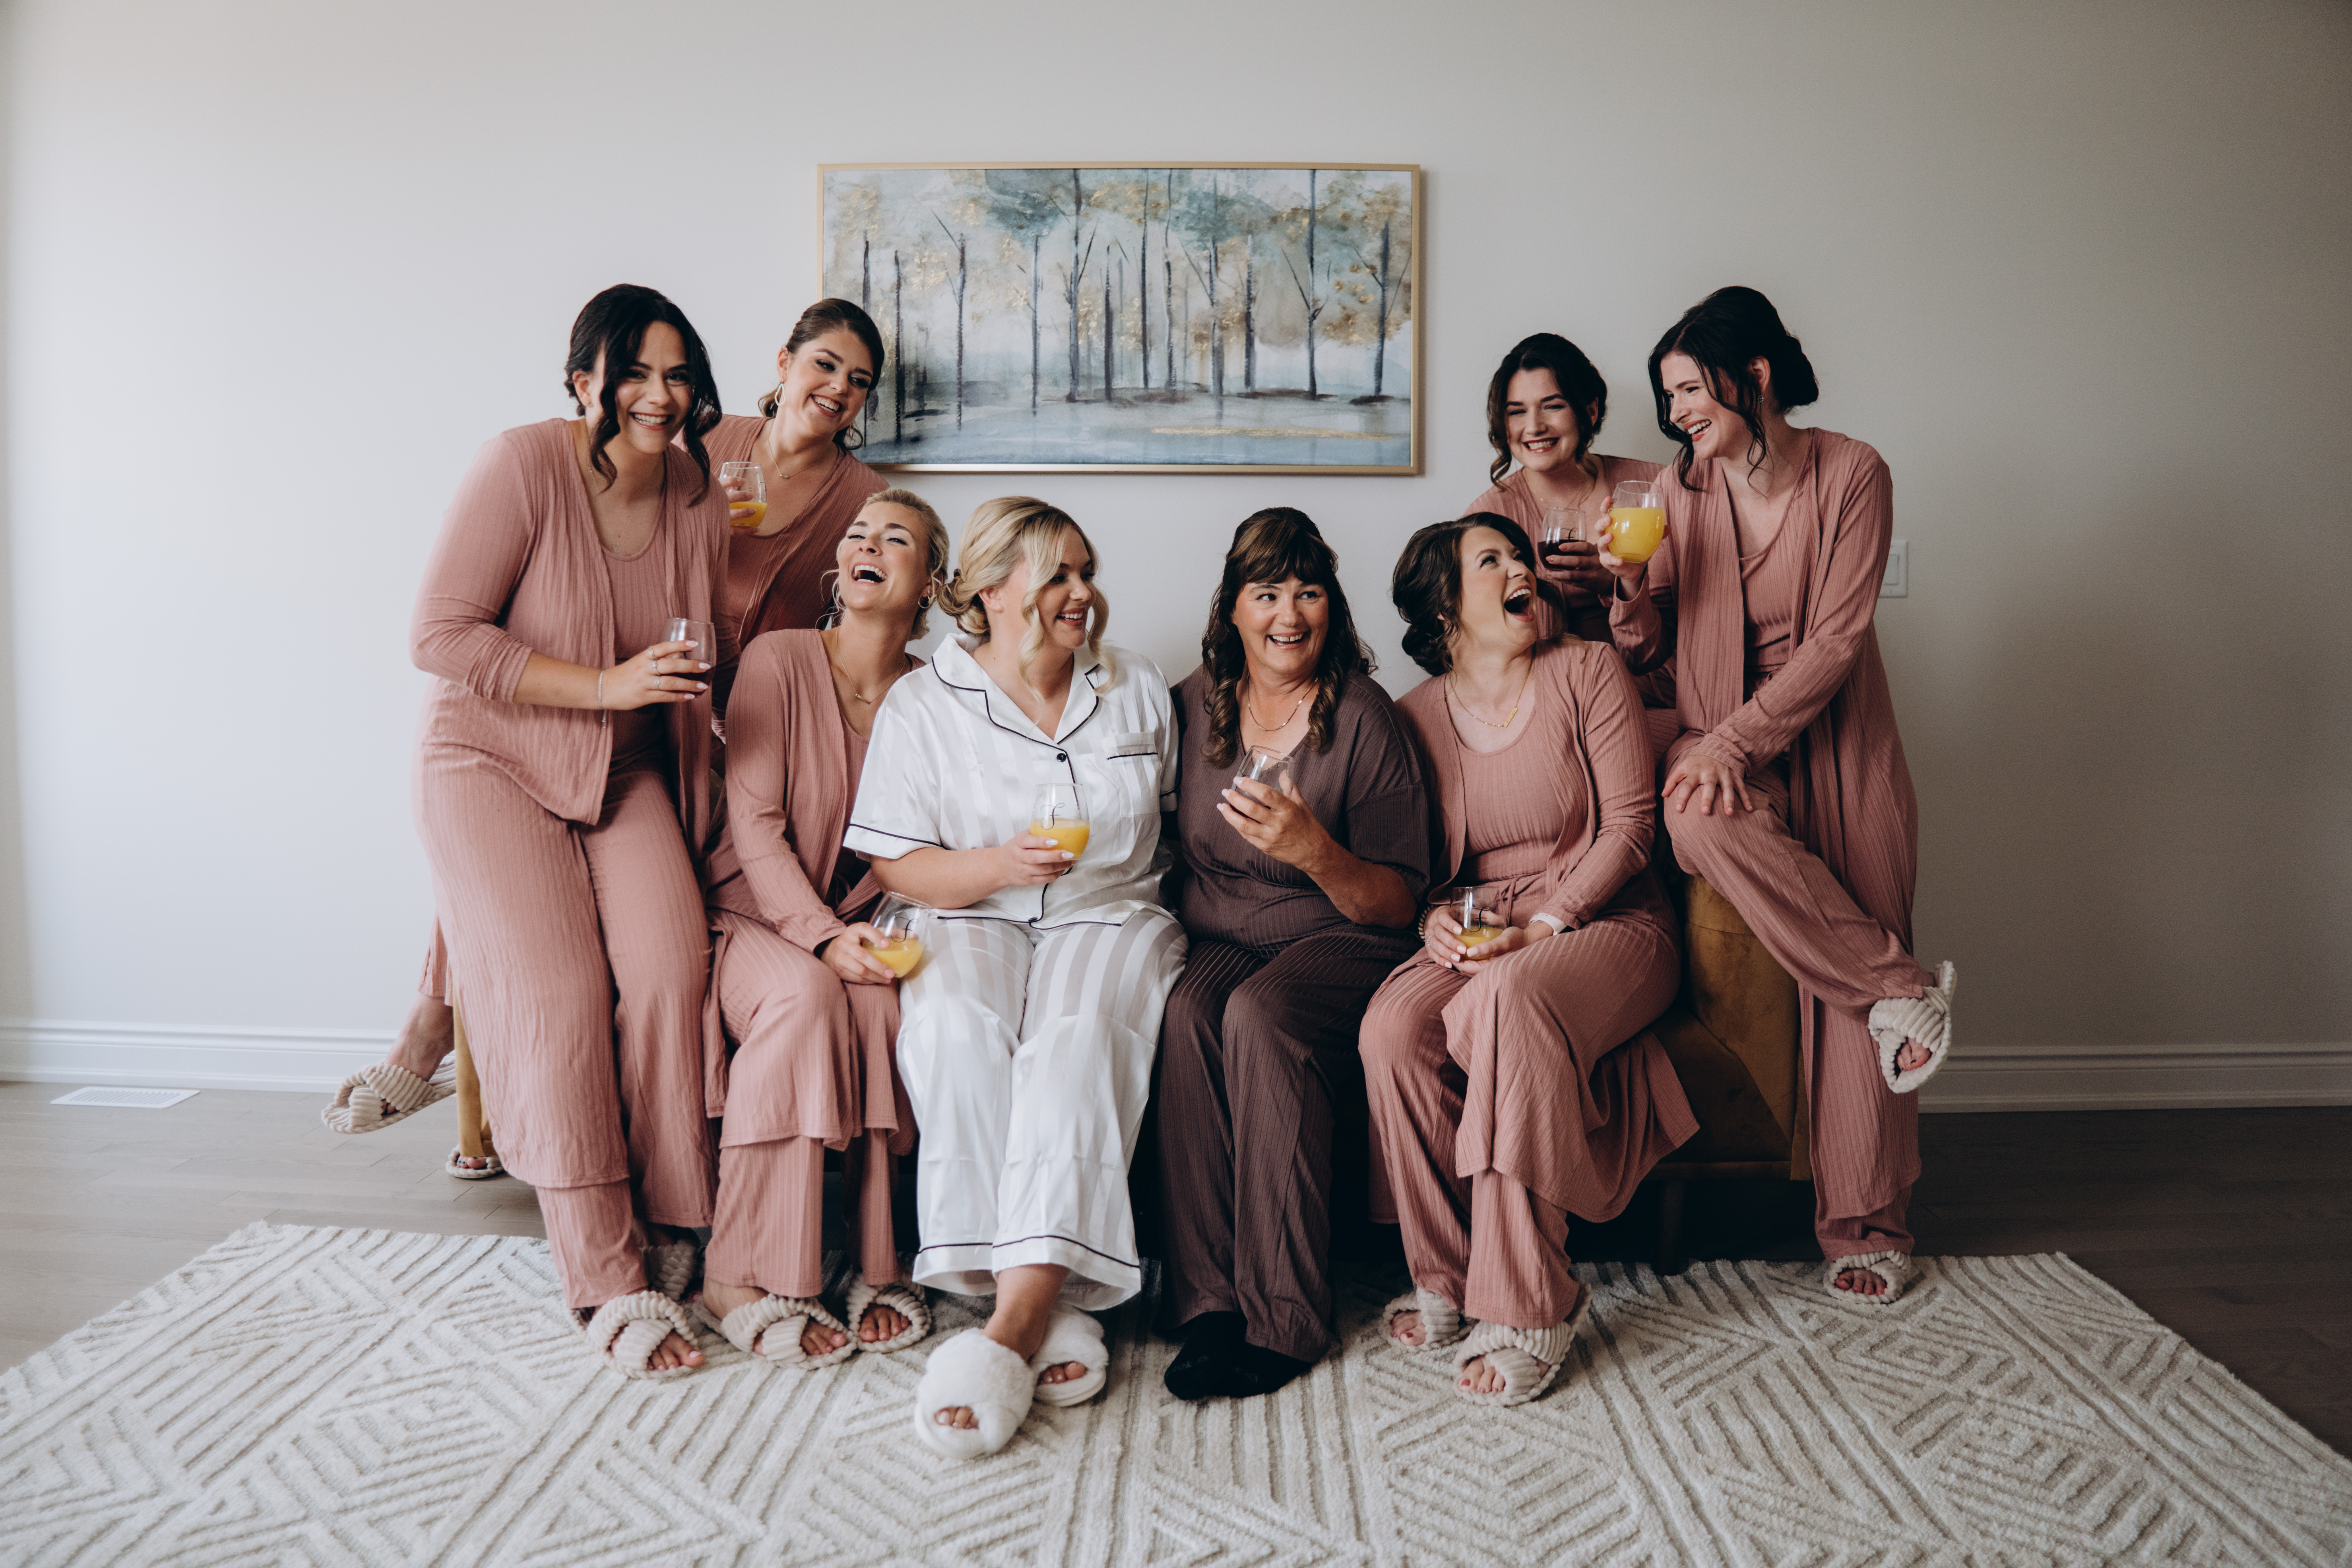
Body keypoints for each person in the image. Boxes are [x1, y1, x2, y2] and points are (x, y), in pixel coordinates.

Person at [330, 299, 890, 1169]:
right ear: (783, 364)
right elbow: (521, 587)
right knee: (511, 832)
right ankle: (441, 1030)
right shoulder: (699, 437)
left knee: (655, 864)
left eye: (858, 381)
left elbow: (837, 624)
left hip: (722, 711)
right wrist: (619, 674)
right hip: (616, 686)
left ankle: (507, 1068)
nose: (838, 389)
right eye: (825, 364)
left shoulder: (864, 498)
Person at [1596, 286, 1956, 1305]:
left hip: (1839, 746)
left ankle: (1867, 1226)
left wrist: (1734, 742)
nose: (1675, 415)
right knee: (1693, 815)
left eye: (1687, 391)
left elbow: (1838, 642)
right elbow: (1650, 649)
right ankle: (1901, 984)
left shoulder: (1853, 472)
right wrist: (1628, 591)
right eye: (1668, 397)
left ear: (1751, 375)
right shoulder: (1678, 490)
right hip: (1720, 744)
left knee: (1848, 958)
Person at [409, 284, 729, 1378]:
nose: (659, 395)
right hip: (489, 762)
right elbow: (438, 635)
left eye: (677, 374)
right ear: (583, 377)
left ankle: (672, 1219)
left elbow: (695, 646)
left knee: (674, 970)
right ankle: (600, 1269)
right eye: (634, 372)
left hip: (622, 768)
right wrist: (601, 684)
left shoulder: (693, 487)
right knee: (558, 996)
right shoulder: (521, 464)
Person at [843, 497, 1185, 1459]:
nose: (1084, 592)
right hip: (967, 907)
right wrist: (998, 864)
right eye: (1059, 575)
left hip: (1109, 909)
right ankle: (1045, 1296)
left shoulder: (1134, 685)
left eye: (1087, 571)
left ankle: (1010, 1330)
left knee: (1075, 1043)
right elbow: (895, 862)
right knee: (955, 1027)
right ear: (992, 592)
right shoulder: (924, 703)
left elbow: (1170, 820)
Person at [1360, 514, 1696, 1407]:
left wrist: (1546, 925)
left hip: (1608, 919)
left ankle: (1532, 1301)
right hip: (1484, 925)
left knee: (1506, 998)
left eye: (1519, 557)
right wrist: (1434, 920)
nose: (1520, 570)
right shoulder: (1411, 717)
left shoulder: (1588, 669)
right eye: (1491, 561)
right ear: (1443, 607)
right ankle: (1446, 1271)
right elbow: (1419, 871)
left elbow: (1630, 829)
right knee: (1390, 1028)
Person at [1154, 508, 1429, 1401]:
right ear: (1233, 607)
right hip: (1221, 936)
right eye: (1267, 593)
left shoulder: (1363, 718)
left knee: (1259, 1015)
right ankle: (1207, 1304)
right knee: (1186, 1011)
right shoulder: (1196, 702)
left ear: (1331, 608)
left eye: (1309, 593)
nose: (1288, 614)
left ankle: (1285, 1318)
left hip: (1340, 936)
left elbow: (1399, 899)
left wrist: (1315, 852)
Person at [692, 489, 947, 1368]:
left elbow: (932, 837)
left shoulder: (937, 694)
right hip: (748, 915)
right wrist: (820, 937)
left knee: (880, 1011)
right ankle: (737, 1271)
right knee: (805, 996)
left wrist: (873, 936)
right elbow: (755, 822)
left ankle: (879, 1263)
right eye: (856, 534)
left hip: (865, 925)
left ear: (930, 581)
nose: (866, 545)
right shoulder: (779, 658)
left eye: (895, 538)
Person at [1464, 333, 1666, 648]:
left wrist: (1616, 582)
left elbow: (1695, 608)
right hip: (1550, 678)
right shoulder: (1485, 520)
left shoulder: (1657, 486)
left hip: (1665, 671)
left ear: (1590, 410)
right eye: (1516, 411)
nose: (1534, 427)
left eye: (1552, 406)